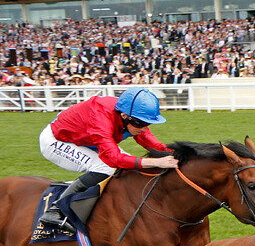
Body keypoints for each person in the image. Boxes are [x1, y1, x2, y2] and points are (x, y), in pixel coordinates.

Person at [38, 87, 179, 233]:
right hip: (56, 141)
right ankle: (56, 209)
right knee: (106, 167)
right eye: (140, 123)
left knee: (126, 166)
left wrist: (176, 153)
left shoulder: (130, 115)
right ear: (124, 116)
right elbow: (114, 159)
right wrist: (155, 162)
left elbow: (148, 140)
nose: (144, 128)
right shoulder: (101, 117)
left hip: (86, 140)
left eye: (147, 124)